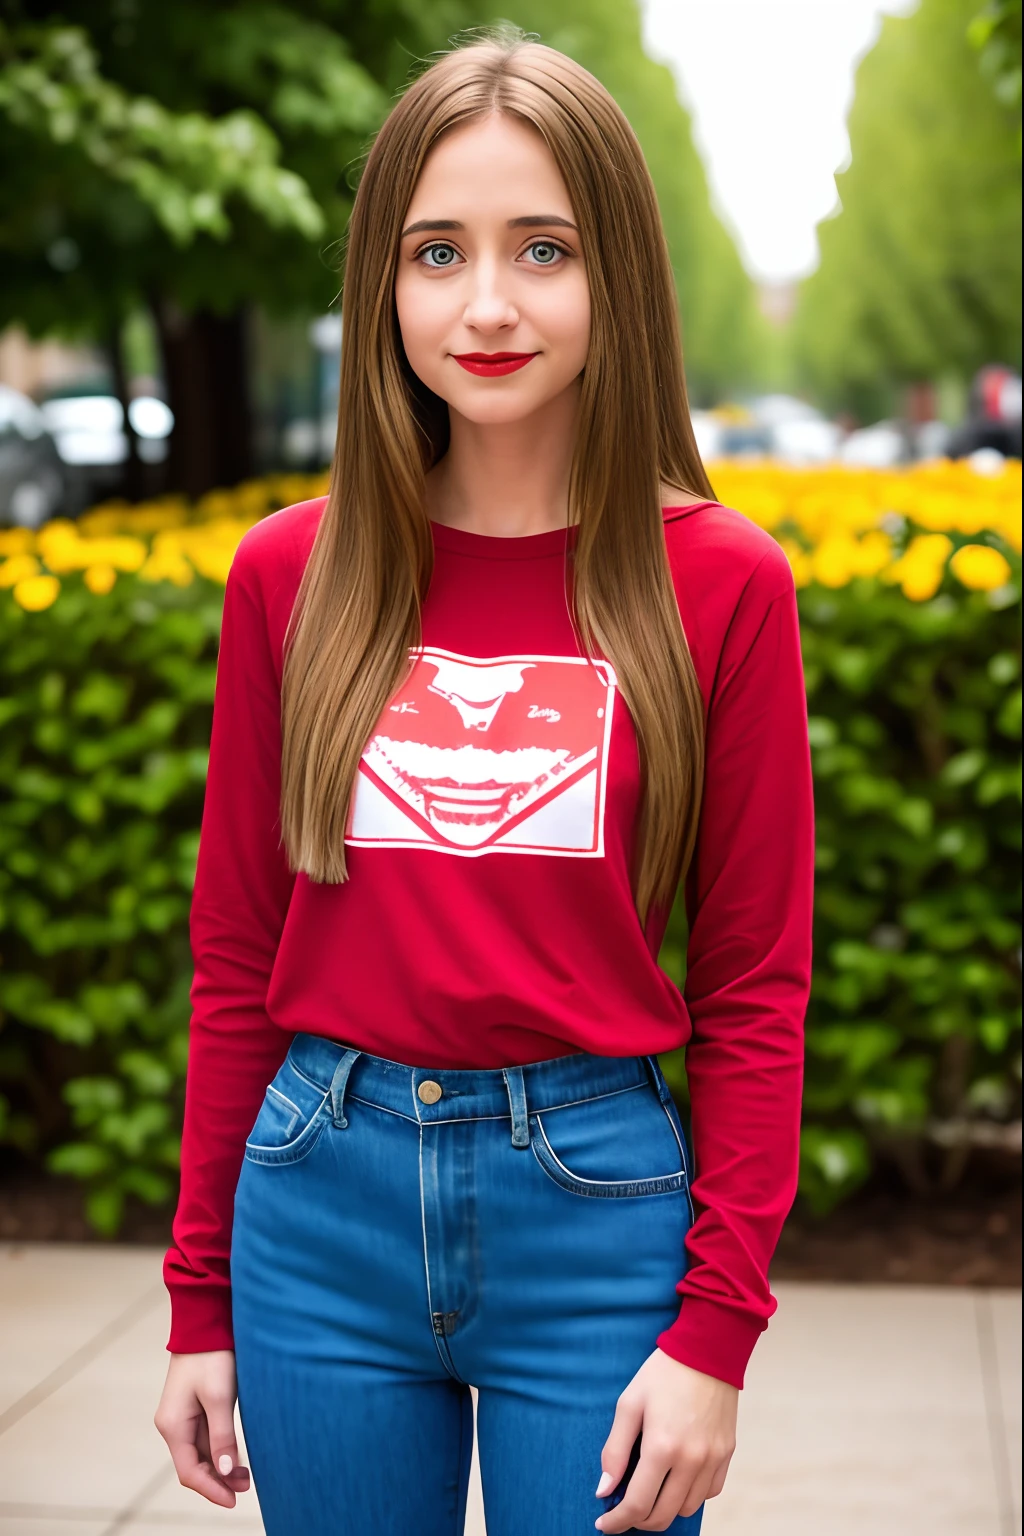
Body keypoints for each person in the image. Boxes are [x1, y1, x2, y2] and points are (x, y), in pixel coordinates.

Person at [154, 29, 814, 1536]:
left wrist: (717, 1331)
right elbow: (238, 955)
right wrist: (200, 1296)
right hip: (317, 1211)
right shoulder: (291, 576)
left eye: (545, 250)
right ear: (383, 284)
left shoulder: (720, 585)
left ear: (621, 281)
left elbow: (756, 983)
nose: (489, 303)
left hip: (595, 1217)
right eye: (438, 251)